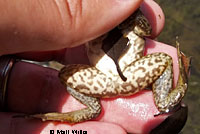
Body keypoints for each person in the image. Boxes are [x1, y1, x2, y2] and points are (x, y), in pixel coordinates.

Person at [0, 0, 187, 133]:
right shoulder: (117, 15)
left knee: (65, 74)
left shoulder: (100, 17)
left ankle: (91, 107)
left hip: (105, 80)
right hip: (128, 76)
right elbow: (146, 30)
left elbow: (146, 29)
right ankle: (166, 99)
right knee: (164, 60)